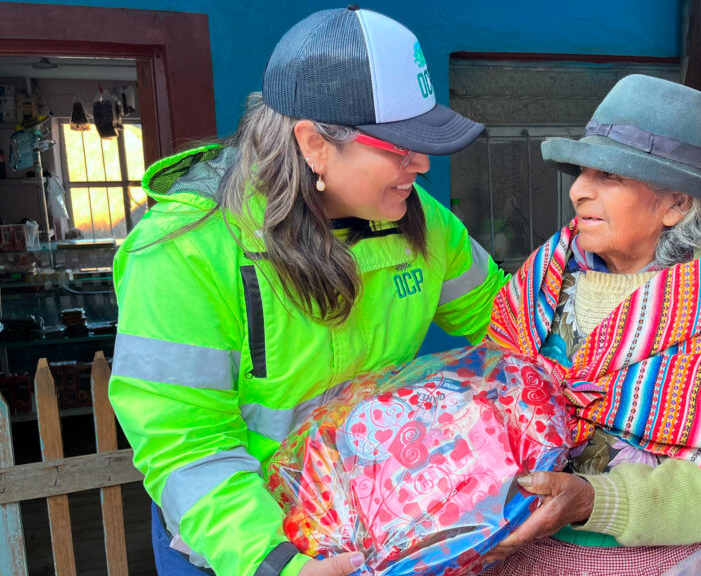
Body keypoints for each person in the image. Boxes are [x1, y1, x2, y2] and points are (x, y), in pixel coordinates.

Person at [108, 7, 506, 576]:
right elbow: (185, 444)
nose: (421, 164)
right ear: (314, 143)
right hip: (238, 541)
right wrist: (276, 561)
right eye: (398, 147)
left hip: (374, 518)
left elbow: (508, 325)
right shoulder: (185, 250)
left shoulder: (427, 224)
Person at [482, 74, 701, 575]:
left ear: (677, 204)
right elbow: (486, 403)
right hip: (513, 550)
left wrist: (591, 501)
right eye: (582, 172)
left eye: (609, 177)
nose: (578, 191)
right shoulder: (542, 280)